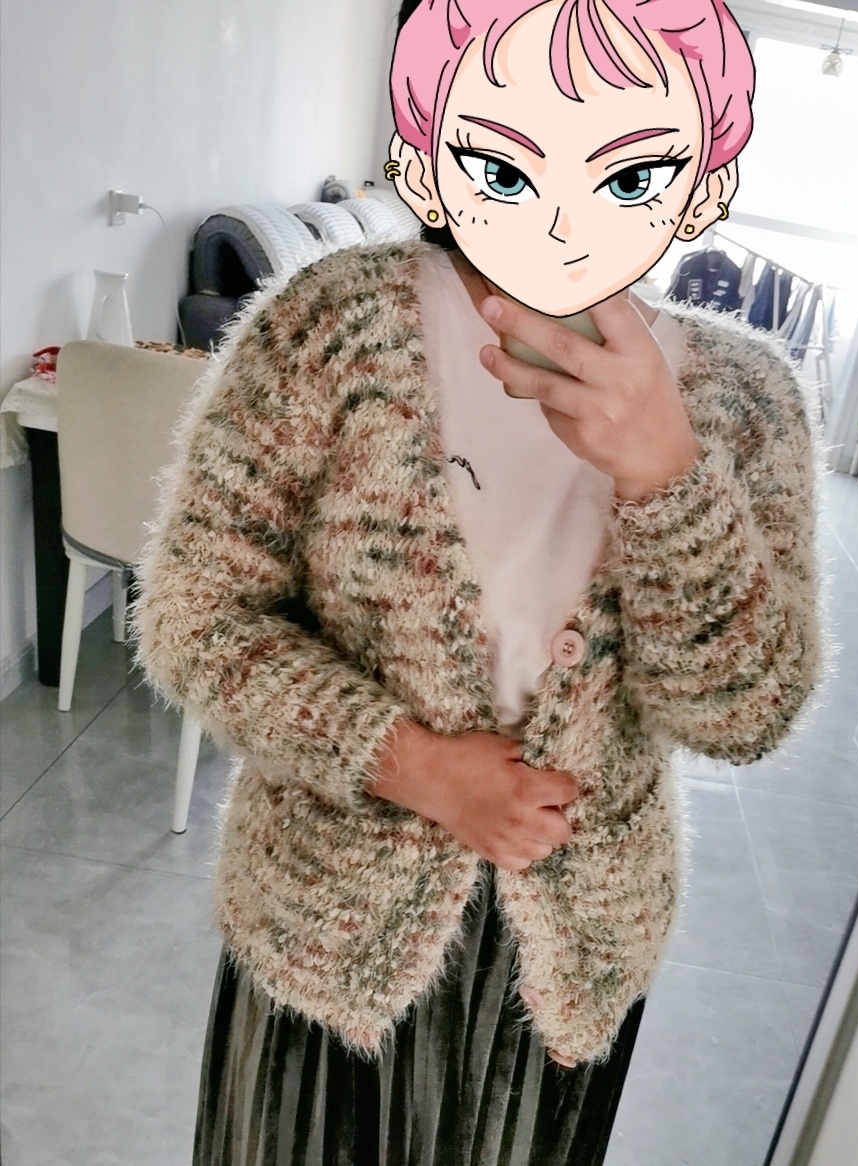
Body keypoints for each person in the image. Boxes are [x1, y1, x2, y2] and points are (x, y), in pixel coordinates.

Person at [129, 2, 823, 1162]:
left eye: (627, 164)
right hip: (325, 922)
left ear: (702, 174)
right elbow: (195, 613)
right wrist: (410, 763)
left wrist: (667, 472)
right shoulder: (329, 325)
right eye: (511, 153)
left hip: (565, 963)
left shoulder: (743, 401)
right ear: (430, 147)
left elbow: (744, 715)